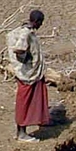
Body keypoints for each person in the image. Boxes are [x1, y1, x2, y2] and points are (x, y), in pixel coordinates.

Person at [7, 9, 49, 143]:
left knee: (27, 102)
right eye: (40, 23)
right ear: (36, 21)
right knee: (24, 103)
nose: (40, 25)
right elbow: (19, 49)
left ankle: (22, 131)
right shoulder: (25, 34)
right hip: (27, 76)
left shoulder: (23, 31)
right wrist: (25, 59)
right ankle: (22, 133)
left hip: (30, 75)